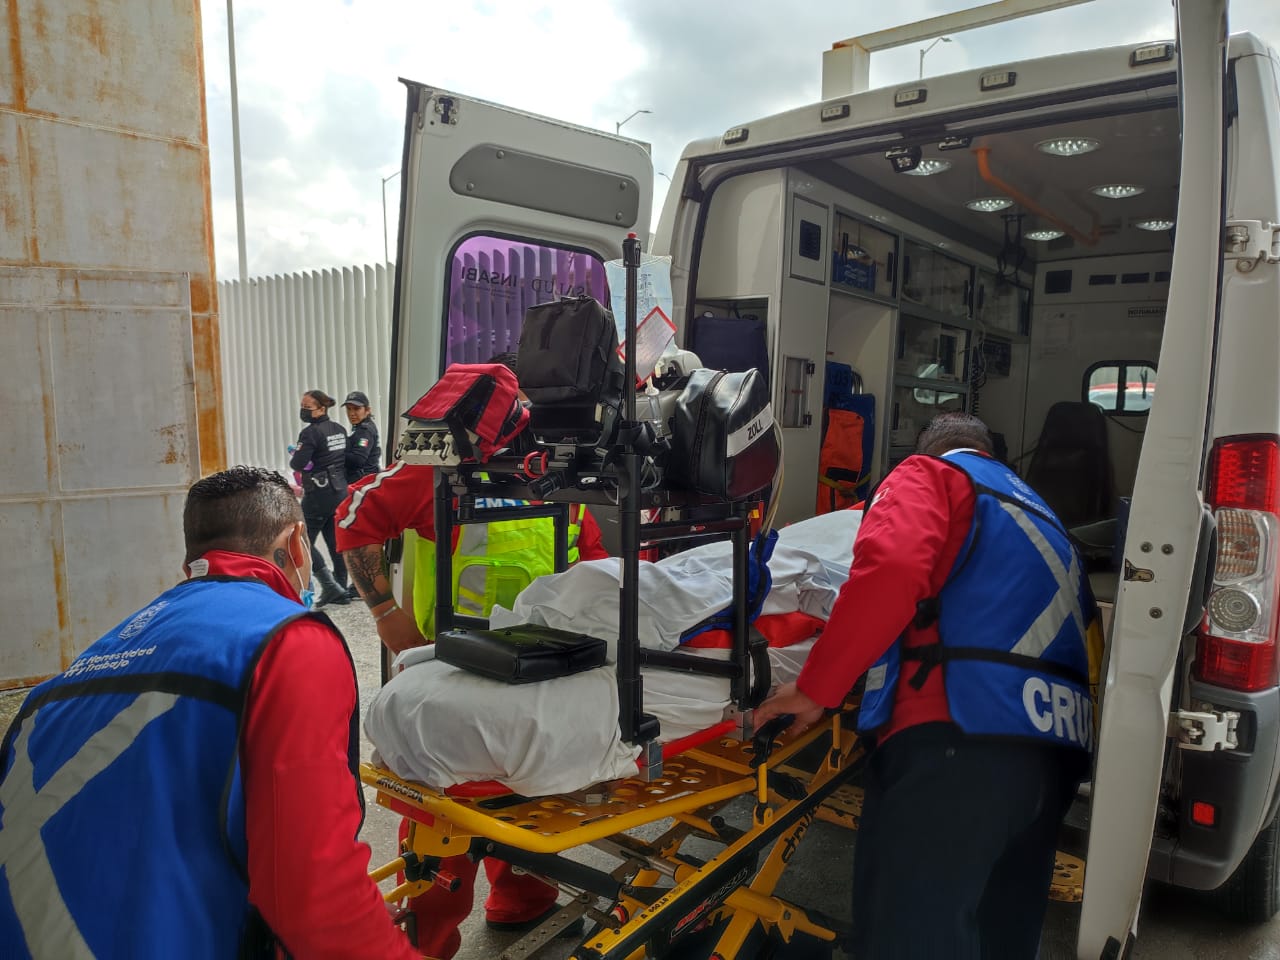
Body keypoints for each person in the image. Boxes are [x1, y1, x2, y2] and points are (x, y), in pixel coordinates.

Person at [0, 466, 418, 960]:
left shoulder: (87, 665)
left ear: (191, 560)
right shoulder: (288, 642)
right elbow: (315, 898)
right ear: (297, 544)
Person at [755, 412, 1094, 959]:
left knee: (912, 939)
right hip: (1052, 759)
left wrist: (817, 688)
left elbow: (890, 566)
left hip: (956, 741)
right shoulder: (1042, 516)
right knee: (1001, 938)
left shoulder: (931, 474)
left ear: (929, 449)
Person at [334, 358, 608, 960]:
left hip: (540, 670)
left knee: (530, 799)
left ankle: (522, 901)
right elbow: (353, 516)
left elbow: (589, 558)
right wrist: (384, 613)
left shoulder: (559, 471)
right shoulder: (432, 471)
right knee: (443, 814)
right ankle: (425, 941)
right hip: (449, 672)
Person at [291, 389, 350, 607]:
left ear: (322, 409)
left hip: (318, 493)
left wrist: (301, 459)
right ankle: (341, 587)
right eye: (302, 407)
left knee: (301, 539)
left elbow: (297, 463)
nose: (303, 411)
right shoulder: (339, 430)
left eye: (307, 407)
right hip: (339, 491)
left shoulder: (310, 433)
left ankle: (330, 586)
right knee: (334, 540)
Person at [343, 390, 383, 485]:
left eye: (356, 409)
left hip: (362, 483)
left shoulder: (365, 431)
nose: (352, 413)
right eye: (349, 409)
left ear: (367, 410)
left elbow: (358, 459)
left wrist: (335, 452)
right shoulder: (362, 427)